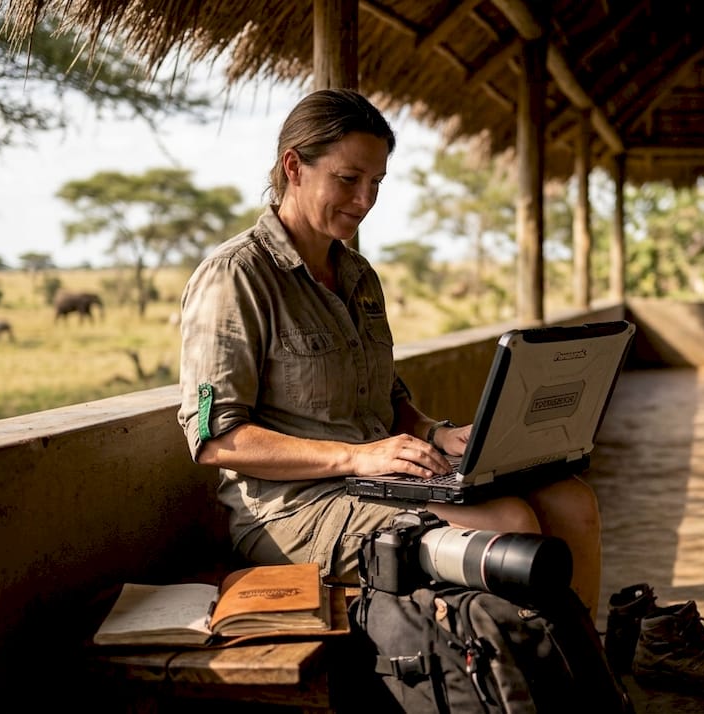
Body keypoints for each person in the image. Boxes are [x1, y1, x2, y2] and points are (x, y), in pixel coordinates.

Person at [176, 88, 604, 615]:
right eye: (348, 179)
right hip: (293, 514)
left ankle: (584, 670)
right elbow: (215, 440)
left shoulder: (357, 275)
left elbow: (384, 394)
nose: (364, 201)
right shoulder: (235, 276)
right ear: (294, 166)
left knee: (571, 501)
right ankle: (530, 679)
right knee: (507, 523)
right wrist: (358, 456)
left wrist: (434, 433)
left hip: (383, 485)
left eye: (376, 182)